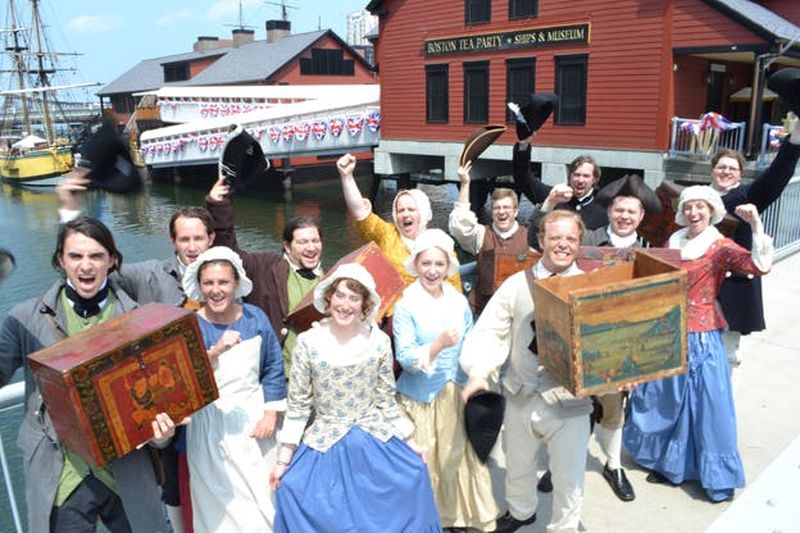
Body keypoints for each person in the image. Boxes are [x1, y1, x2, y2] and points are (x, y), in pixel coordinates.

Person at [57, 175, 216, 532]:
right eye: (184, 239)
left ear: (211, 239)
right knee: (171, 487)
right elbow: (93, 266)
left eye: (198, 238)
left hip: (215, 402)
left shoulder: (225, 275)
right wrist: (69, 215)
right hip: (169, 405)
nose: (192, 246)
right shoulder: (148, 275)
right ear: (173, 241)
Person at [0, 216, 179, 532]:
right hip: (62, 471)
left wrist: (162, 437)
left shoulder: (139, 319)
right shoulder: (25, 318)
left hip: (127, 467)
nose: (86, 266)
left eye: (96, 256)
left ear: (111, 260)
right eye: (76, 256)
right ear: (60, 260)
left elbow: (157, 398)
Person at [623, 186, 773, 503]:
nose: (693, 213)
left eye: (700, 207)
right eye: (689, 207)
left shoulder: (719, 246)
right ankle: (666, 462)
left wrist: (756, 224)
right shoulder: (673, 242)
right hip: (668, 331)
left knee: (705, 403)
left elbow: (759, 266)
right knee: (666, 399)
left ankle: (712, 474)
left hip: (702, 335)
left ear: (712, 210)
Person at [270, 263, 441, 532]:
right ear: (329, 298)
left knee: (414, 476)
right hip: (326, 440)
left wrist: (410, 441)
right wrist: (283, 460)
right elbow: (299, 407)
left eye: (354, 297)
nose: (345, 305)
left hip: (373, 438)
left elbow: (386, 399)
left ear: (364, 304)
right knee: (294, 490)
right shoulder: (308, 342)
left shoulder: (379, 342)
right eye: (340, 295)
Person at [460, 211, 593, 533]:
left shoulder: (592, 287)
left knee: (568, 473)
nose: (563, 244)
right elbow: (491, 331)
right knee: (518, 463)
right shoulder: (516, 285)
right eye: (556, 238)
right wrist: (479, 372)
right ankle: (521, 511)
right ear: (541, 240)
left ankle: (564, 526)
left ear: (579, 243)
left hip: (570, 400)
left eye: (571, 239)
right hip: (521, 393)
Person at [393, 229, 499, 531]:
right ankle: (424, 520)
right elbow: (406, 359)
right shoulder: (406, 306)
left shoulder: (458, 302)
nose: (432, 271)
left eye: (439, 264)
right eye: (426, 264)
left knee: (455, 459)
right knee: (425, 461)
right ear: (416, 265)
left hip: (453, 393)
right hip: (419, 398)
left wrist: (475, 378)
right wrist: (437, 345)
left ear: (448, 266)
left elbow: (470, 346)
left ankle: (454, 518)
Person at [181, 246, 286, 532]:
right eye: (209, 283)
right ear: (200, 286)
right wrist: (214, 351)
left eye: (223, 282)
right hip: (208, 426)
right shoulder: (189, 325)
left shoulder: (256, 318)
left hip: (252, 422)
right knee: (218, 508)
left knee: (262, 501)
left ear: (236, 283)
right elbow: (183, 380)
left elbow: (273, 368)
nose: (216, 290)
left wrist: (271, 415)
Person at [708, 117, 800, 383]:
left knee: (726, 359)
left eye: (732, 169)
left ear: (740, 173)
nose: (726, 172)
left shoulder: (748, 197)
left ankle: (721, 418)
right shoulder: (698, 199)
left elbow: (775, 178)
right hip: (699, 286)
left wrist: (793, 143)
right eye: (721, 167)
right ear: (712, 170)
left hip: (732, 289)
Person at [205, 176, 324, 376]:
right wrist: (219, 207)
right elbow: (230, 254)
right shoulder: (264, 268)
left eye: (315, 241)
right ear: (287, 246)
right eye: (303, 242)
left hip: (318, 377)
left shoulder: (332, 279)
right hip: (276, 377)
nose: (311, 248)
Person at [336, 152, 460, 297]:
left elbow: (454, 290)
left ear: (425, 212)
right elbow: (360, 212)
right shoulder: (387, 234)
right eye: (400, 210)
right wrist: (347, 177)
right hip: (391, 314)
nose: (405, 214)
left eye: (411, 209)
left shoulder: (440, 243)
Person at [449, 161, 529, 314]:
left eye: (506, 207)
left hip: (516, 311)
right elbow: (460, 225)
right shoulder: (481, 234)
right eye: (496, 208)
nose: (501, 212)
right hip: (483, 309)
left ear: (516, 211)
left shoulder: (528, 237)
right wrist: (465, 184)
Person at [512, 134, 608, 241]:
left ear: (594, 179)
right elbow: (523, 179)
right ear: (569, 176)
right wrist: (523, 146)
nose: (580, 180)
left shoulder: (604, 210)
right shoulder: (553, 197)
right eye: (576, 175)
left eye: (586, 176)